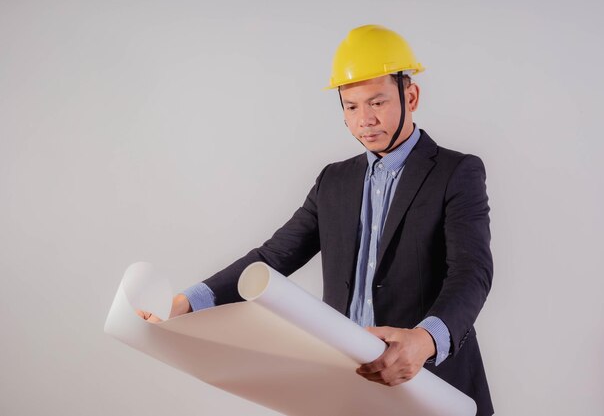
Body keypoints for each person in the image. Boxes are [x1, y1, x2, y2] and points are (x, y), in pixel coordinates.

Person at [137, 24, 494, 415]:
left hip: (432, 385)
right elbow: (273, 258)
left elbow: (471, 271)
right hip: (348, 387)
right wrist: (185, 303)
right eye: (352, 106)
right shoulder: (333, 181)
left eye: (377, 103)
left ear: (411, 95)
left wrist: (425, 340)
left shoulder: (456, 172)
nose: (365, 120)